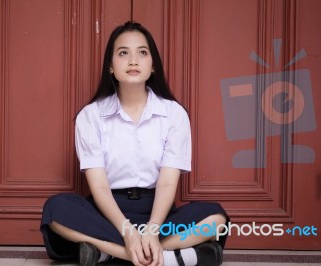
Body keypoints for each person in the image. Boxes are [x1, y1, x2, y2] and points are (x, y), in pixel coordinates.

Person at [40, 21, 229, 266]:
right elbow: (98, 187)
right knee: (56, 210)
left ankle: (106, 253)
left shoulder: (174, 114)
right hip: (107, 213)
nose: (133, 61)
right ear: (110, 66)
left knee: (215, 217)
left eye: (142, 52)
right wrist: (127, 231)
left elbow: (168, 182)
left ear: (152, 66)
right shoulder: (91, 116)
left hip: (157, 213)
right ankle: (167, 257)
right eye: (123, 53)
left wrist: (151, 229)